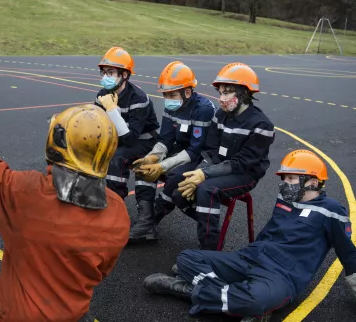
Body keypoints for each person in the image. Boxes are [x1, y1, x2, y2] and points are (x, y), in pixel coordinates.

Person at [0, 47, 130, 322]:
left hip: (16, 315)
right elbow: (102, 270)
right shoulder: (118, 212)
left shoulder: (28, 194)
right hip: (70, 313)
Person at [142, 149, 356, 320]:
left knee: (255, 300)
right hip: (251, 259)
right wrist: (242, 258)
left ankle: (186, 290)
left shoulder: (332, 211)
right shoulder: (286, 200)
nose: (284, 184)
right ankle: (230, 296)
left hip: (281, 276)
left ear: (312, 181)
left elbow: (348, 254)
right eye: (284, 179)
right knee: (187, 258)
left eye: (291, 179)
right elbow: (269, 233)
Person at [176, 62, 275, 250]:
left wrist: (205, 175)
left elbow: (242, 163)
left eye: (226, 92)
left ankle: (209, 249)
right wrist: (198, 171)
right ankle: (209, 224)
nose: (221, 98)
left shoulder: (262, 126)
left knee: (206, 189)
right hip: (220, 167)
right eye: (220, 93)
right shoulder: (220, 115)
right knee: (178, 190)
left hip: (245, 174)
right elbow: (211, 150)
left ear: (244, 93)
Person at [128, 61, 217, 243]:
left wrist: (162, 166)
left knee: (175, 176)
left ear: (187, 92)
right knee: (144, 168)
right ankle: (145, 219)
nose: (168, 99)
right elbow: (166, 139)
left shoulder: (203, 110)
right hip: (184, 149)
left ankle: (151, 222)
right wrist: (151, 157)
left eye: (172, 94)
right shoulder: (172, 106)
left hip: (204, 156)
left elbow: (196, 150)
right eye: (166, 94)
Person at [94, 46, 160, 225]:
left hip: (144, 142)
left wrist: (112, 110)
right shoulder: (103, 94)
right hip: (118, 138)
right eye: (104, 72)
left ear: (124, 75)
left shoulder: (138, 98)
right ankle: (94, 198)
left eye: (111, 72)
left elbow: (130, 138)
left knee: (117, 158)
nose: (106, 77)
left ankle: (115, 206)